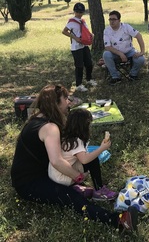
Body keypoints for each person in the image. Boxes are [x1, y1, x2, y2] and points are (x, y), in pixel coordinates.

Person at [10, 84, 138, 232]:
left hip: (40, 172)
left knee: (89, 159)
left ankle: (93, 190)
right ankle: (119, 222)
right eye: (65, 98)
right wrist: (77, 177)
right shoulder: (50, 128)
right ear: (56, 103)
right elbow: (57, 161)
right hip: (28, 183)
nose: (69, 102)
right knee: (71, 197)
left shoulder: (39, 117)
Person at [48, 108, 117, 201]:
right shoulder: (76, 141)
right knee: (93, 160)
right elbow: (84, 160)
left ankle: (75, 188)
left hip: (55, 175)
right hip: (63, 178)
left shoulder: (64, 135)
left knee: (88, 157)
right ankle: (99, 190)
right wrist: (102, 148)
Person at [103, 10, 145, 85]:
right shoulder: (107, 30)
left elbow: (138, 36)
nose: (112, 21)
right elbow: (108, 47)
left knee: (141, 59)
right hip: (115, 53)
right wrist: (120, 54)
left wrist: (142, 51)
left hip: (129, 51)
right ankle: (115, 77)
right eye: (110, 19)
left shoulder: (126, 27)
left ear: (119, 20)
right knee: (106, 54)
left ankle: (132, 75)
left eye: (114, 19)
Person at [62, 2, 97, 92]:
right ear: (74, 11)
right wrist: (75, 38)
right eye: (77, 12)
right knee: (79, 66)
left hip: (84, 45)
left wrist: (90, 35)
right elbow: (64, 31)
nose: (79, 14)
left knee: (89, 63)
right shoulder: (72, 22)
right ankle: (78, 84)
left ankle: (89, 79)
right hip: (76, 47)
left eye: (81, 12)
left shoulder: (83, 21)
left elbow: (85, 31)